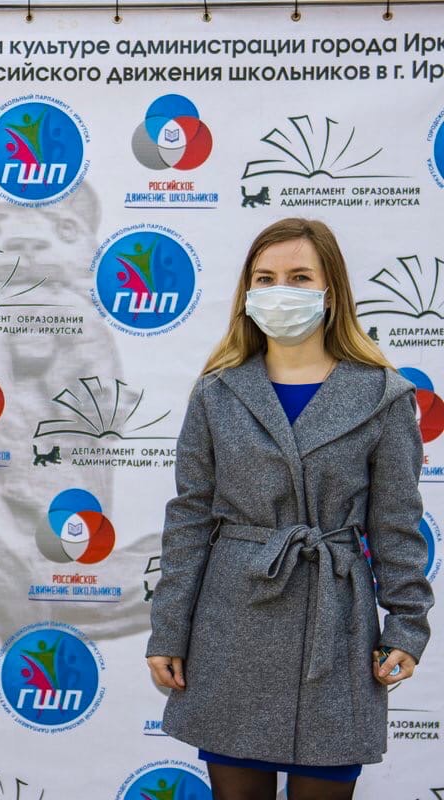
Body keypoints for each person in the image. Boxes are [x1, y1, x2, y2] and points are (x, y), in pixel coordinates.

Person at [146, 218, 433, 799]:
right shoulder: (218, 392)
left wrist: (407, 625)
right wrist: (168, 629)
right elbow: (190, 519)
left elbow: (397, 525)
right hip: (234, 621)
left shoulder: (383, 396)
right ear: (247, 292)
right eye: (265, 278)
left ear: (331, 291)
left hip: (336, 621)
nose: (281, 291)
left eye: (300, 277)